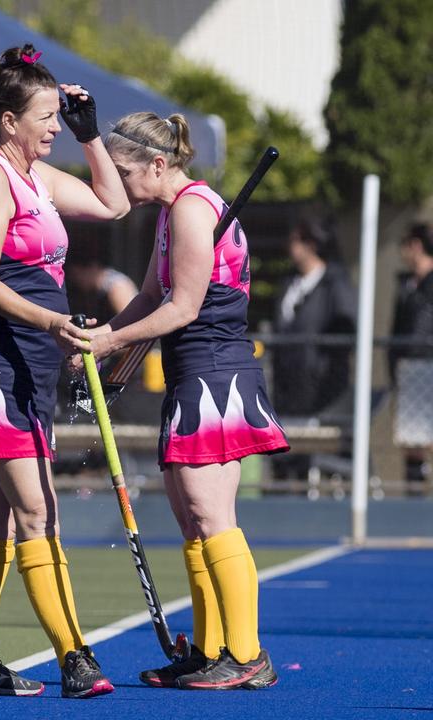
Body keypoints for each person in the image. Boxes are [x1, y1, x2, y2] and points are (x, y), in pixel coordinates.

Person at [0, 44, 129, 699]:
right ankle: (74, 656)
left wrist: (91, 135)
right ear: (9, 122)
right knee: (37, 509)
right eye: (47, 116)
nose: (55, 126)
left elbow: (114, 206)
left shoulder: (38, 174)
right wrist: (51, 322)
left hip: (33, 368)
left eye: (61, 116)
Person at [86, 110, 287, 689]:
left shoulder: (196, 210)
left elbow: (184, 307)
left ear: (158, 163)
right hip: (186, 371)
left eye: (125, 172)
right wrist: (103, 348)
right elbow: (151, 295)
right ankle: (209, 648)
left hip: (215, 373)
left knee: (210, 512)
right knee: (189, 515)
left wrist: (110, 339)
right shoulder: (172, 217)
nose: (120, 183)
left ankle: (246, 654)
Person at [272, 215, 355, 419]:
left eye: (294, 241)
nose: (290, 247)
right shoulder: (289, 283)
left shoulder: (335, 283)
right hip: (288, 381)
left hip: (321, 385)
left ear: (310, 244)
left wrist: (322, 365)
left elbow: (345, 327)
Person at [392, 223, 433, 484]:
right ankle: (414, 498)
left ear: (416, 245)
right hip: (409, 369)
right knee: (412, 443)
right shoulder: (407, 285)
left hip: (428, 366)